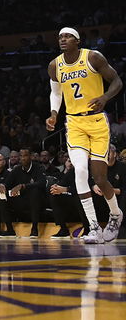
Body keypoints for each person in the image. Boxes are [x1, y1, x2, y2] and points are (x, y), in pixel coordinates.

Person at [47, 27, 122, 243]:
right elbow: (56, 92)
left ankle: (116, 215)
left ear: (77, 40)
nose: (63, 39)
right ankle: (94, 227)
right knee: (79, 170)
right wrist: (53, 114)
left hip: (97, 122)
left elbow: (117, 81)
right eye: (60, 36)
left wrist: (105, 97)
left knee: (99, 178)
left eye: (68, 36)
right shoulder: (54, 65)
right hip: (74, 123)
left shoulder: (93, 57)